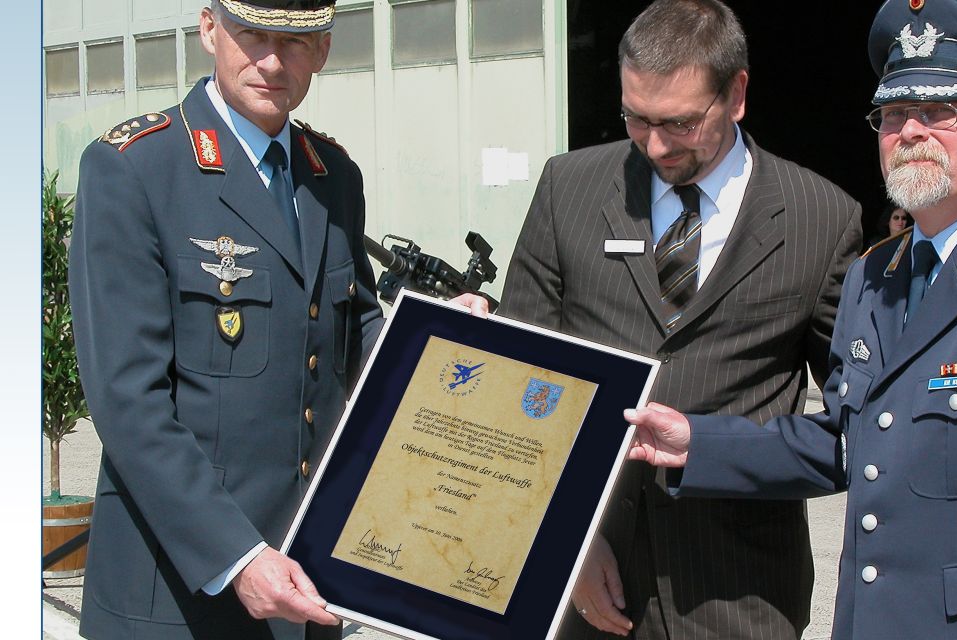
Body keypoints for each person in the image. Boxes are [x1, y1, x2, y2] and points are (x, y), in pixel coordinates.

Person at [623, 0, 957, 637]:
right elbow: (850, 442)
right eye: (895, 115)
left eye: (940, 112)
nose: (913, 132)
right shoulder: (876, 275)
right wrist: (698, 446)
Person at [68, 2, 487, 638]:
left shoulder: (332, 175)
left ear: (321, 49)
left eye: (294, 43)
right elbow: (128, 401)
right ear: (210, 30)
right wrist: (236, 557)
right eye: (252, 36)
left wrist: (437, 338)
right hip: (178, 595)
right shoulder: (134, 167)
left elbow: (357, 334)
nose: (270, 61)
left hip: (309, 574)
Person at [501, 1, 862, 637]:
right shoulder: (570, 189)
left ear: (738, 94)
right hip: (587, 587)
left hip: (740, 595)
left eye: (682, 123)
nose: (658, 145)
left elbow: (848, 435)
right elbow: (517, 385)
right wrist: (568, 548)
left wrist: (710, 451)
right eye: (636, 119)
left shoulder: (820, 219)